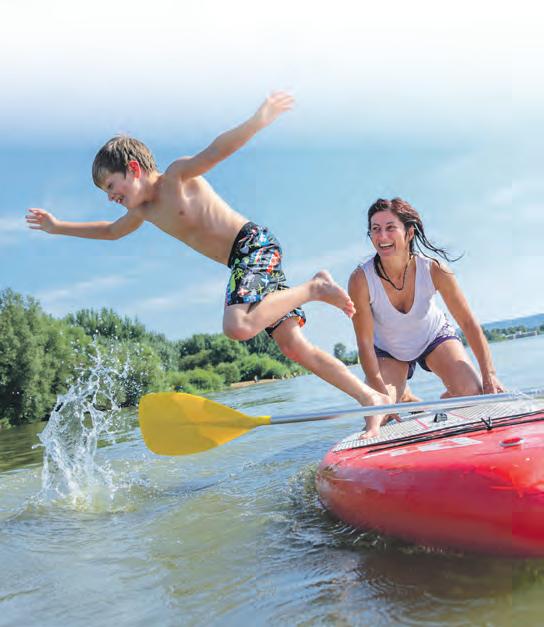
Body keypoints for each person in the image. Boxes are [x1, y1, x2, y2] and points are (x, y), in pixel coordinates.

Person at [26, 92, 389, 413]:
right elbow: (110, 231)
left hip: (252, 245)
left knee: (237, 326)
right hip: (243, 263)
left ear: (133, 169)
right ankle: (371, 398)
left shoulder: (176, 178)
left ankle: (314, 288)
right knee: (293, 346)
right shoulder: (142, 212)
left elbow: (218, 150)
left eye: (111, 185)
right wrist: (58, 227)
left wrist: (259, 119)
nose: (110, 197)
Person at [348, 197, 504, 437]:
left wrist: (489, 375)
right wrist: (380, 396)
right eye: (375, 229)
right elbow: (365, 342)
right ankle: (402, 395)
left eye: (390, 228)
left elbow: (467, 323)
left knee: (474, 396)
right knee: (378, 415)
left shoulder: (435, 269)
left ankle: (451, 396)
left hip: (433, 337)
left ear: (409, 233)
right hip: (388, 351)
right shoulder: (360, 279)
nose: (382, 236)